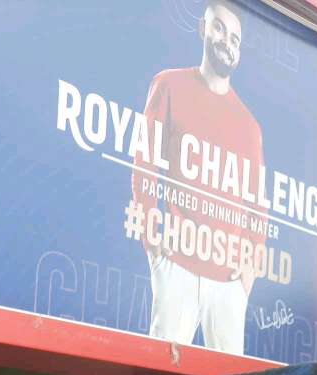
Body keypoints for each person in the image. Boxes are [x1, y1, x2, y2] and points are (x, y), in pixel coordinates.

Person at [132, 1, 265, 355]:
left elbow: (257, 204)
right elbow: (145, 162)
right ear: (203, 28)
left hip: (229, 283)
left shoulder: (249, 126)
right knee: (162, 372)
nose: (227, 41)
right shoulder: (169, 85)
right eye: (219, 27)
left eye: (235, 38)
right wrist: (151, 235)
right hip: (177, 266)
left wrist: (249, 270)